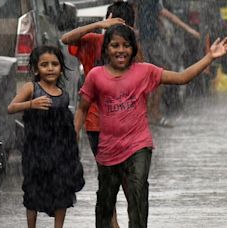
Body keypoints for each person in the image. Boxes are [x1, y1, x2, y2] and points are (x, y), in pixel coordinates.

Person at [74, 24, 227, 228]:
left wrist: (209, 57)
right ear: (106, 49)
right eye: (115, 45)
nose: (121, 50)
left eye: (126, 46)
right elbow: (82, 108)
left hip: (138, 146)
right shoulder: (96, 76)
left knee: (138, 196)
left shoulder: (145, 71)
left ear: (133, 49)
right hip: (108, 150)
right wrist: (73, 134)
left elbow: (182, 78)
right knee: (104, 207)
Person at [61, 2, 136, 227]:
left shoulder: (133, 50)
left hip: (125, 128)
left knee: (129, 183)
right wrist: (98, 25)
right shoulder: (94, 42)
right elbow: (66, 39)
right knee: (109, 179)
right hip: (98, 126)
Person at [7, 45, 85, 228]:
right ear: (35, 69)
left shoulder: (64, 95)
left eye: (55, 64)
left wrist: (74, 139)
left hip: (60, 152)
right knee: (33, 189)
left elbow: (67, 123)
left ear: (61, 68)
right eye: (44, 64)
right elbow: (11, 108)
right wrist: (31, 104)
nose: (50, 68)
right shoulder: (32, 88)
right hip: (36, 150)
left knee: (61, 190)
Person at [130, 0, 201, 127]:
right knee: (145, 77)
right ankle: (147, 114)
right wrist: (134, 31)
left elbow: (166, 14)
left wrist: (188, 29)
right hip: (143, 41)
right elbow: (134, 12)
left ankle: (153, 113)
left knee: (158, 74)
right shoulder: (140, 4)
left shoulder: (154, 3)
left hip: (152, 41)